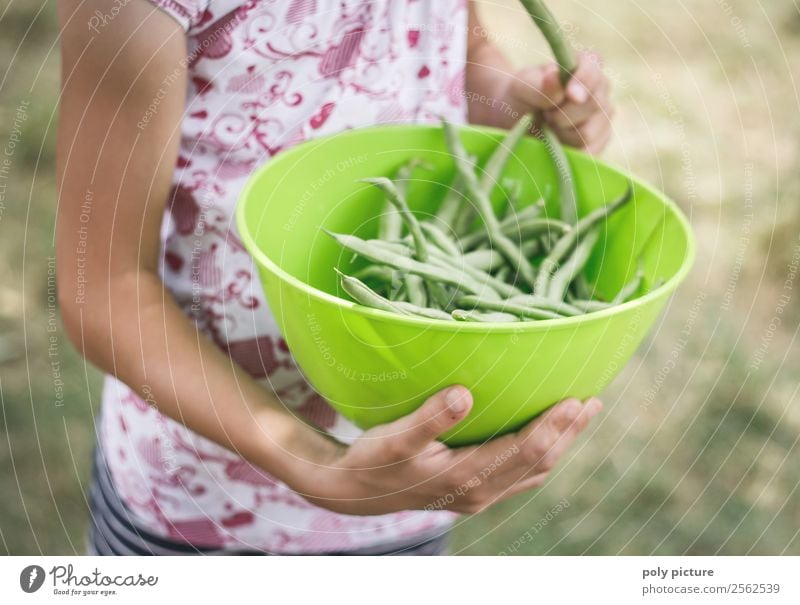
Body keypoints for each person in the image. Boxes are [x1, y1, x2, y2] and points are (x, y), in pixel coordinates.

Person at [56, 0, 613, 555]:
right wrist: (317, 463)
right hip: (208, 506)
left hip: (415, 480)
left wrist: (516, 104)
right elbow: (104, 290)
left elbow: (457, 52)